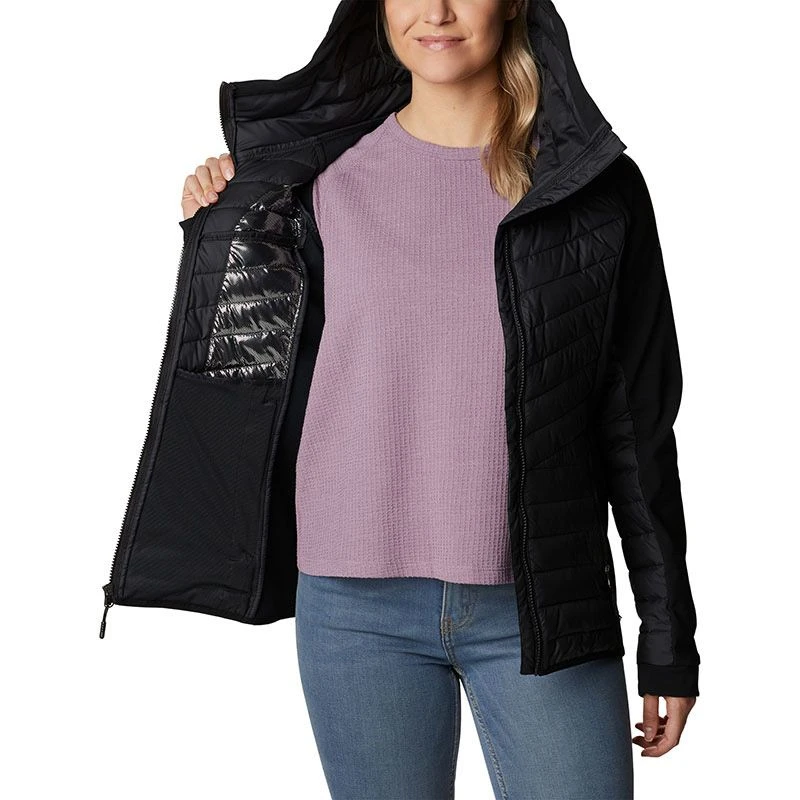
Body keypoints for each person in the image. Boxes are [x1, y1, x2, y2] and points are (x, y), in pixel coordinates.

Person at [175, 1, 698, 797]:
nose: (437, 11)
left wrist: (668, 638)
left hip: (541, 602)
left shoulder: (591, 186)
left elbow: (637, 426)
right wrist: (216, 241)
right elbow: (245, 376)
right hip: (353, 609)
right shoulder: (314, 182)